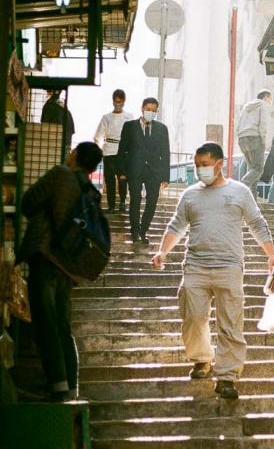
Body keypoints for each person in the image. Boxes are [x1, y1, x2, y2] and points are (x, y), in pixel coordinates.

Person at [152, 142, 274, 400]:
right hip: (196, 267)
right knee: (193, 318)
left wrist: (271, 255)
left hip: (229, 268)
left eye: (205, 164)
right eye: (197, 165)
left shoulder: (240, 192)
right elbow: (176, 225)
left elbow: (256, 223)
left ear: (219, 164)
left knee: (231, 324)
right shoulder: (190, 195)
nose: (200, 170)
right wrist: (162, 251)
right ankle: (202, 360)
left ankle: (227, 376)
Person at [16, 141, 104, 401]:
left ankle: (57, 387)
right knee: (63, 326)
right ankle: (70, 387)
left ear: (74, 155)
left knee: (46, 324)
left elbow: (28, 203)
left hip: (46, 258)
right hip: (68, 265)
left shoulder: (60, 174)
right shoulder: (88, 188)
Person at [117, 97, 170, 245]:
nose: (151, 112)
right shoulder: (129, 126)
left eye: (154, 110)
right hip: (135, 170)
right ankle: (134, 233)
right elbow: (122, 150)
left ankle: (143, 231)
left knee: (152, 202)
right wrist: (121, 171)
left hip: (154, 171)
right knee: (135, 200)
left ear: (157, 111)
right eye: (148, 109)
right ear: (142, 109)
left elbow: (165, 153)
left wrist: (166, 176)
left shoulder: (161, 128)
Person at [93, 89, 135, 214]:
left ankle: (122, 202)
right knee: (110, 180)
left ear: (124, 102)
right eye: (116, 101)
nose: (117, 104)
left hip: (123, 152)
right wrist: (97, 148)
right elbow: (98, 135)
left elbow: (133, 136)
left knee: (123, 178)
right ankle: (111, 206)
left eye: (120, 102)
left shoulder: (129, 117)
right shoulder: (106, 117)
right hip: (108, 151)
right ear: (112, 101)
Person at [237, 89, 272, 197]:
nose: (271, 101)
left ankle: (252, 199)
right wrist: (263, 140)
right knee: (258, 169)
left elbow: (238, 125)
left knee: (252, 170)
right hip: (255, 137)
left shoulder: (246, 107)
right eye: (271, 99)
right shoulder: (263, 105)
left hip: (242, 138)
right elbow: (263, 124)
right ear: (265, 97)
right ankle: (241, 187)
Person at [41, 89, 75, 156]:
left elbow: (44, 127)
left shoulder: (49, 106)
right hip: (66, 144)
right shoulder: (65, 110)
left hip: (56, 145)